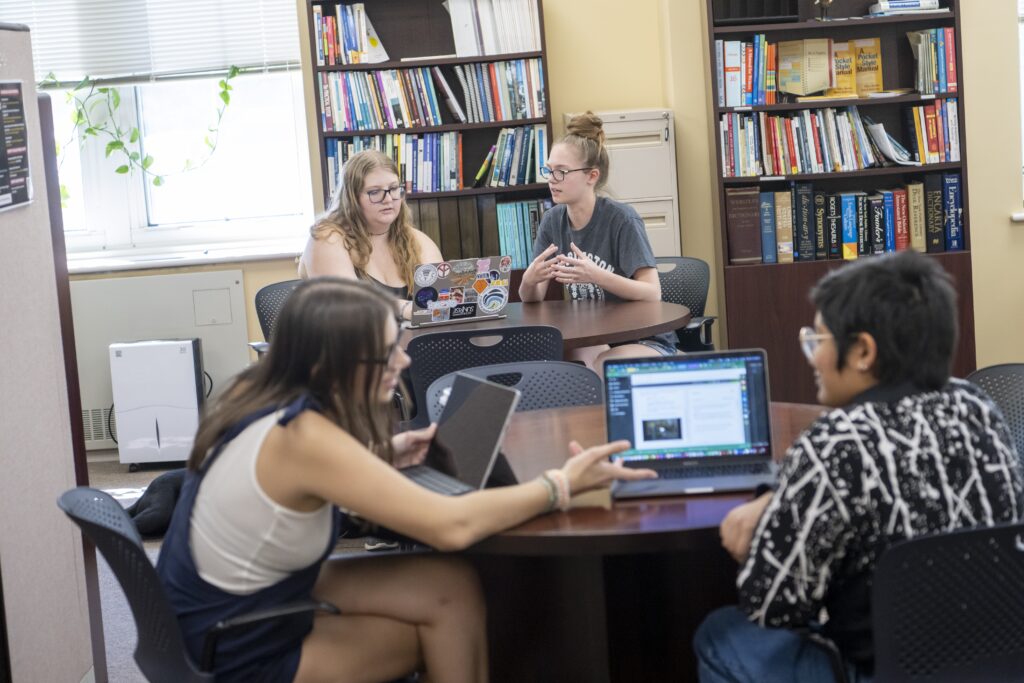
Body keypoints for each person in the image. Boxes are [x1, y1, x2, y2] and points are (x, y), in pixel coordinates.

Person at [157, 277, 655, 683]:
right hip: (237, 646)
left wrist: (379, 455)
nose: (404, 361)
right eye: (385, 354)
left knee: (451, 585)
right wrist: (559, 485)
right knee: (445, 632)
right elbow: (451, 528)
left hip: (250, 594)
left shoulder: (263, 396)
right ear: (325, 365)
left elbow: (292, 485)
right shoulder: (303, 436)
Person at [694, 251, 1024, 682]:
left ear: (863, 351)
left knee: (719, 633)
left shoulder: (835, 440)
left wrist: (763, 521)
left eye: (819, 340)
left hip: (876, 670)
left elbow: (771, 604)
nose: (812, 358)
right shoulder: (978, 406)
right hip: (994, 660)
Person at [517, 111, 677, 369]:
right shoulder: (551, 221)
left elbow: (652, 294)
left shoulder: (622, 220)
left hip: (645, 339)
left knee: (606, 366)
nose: (551, 179)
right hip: (595, 337)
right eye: (548, 170)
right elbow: (533, 298)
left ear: (592, 176)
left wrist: (597, 275)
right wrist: (529, 280)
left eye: (561, 172)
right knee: (556, 364)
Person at [298, 149, 442, 320]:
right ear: (352, 198)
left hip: (407, 342)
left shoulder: (417, 240)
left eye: (394, 189)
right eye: (374, 192)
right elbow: (347, 304)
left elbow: (440, 300)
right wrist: (406, 308)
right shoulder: (327, 239)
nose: (388, 199)